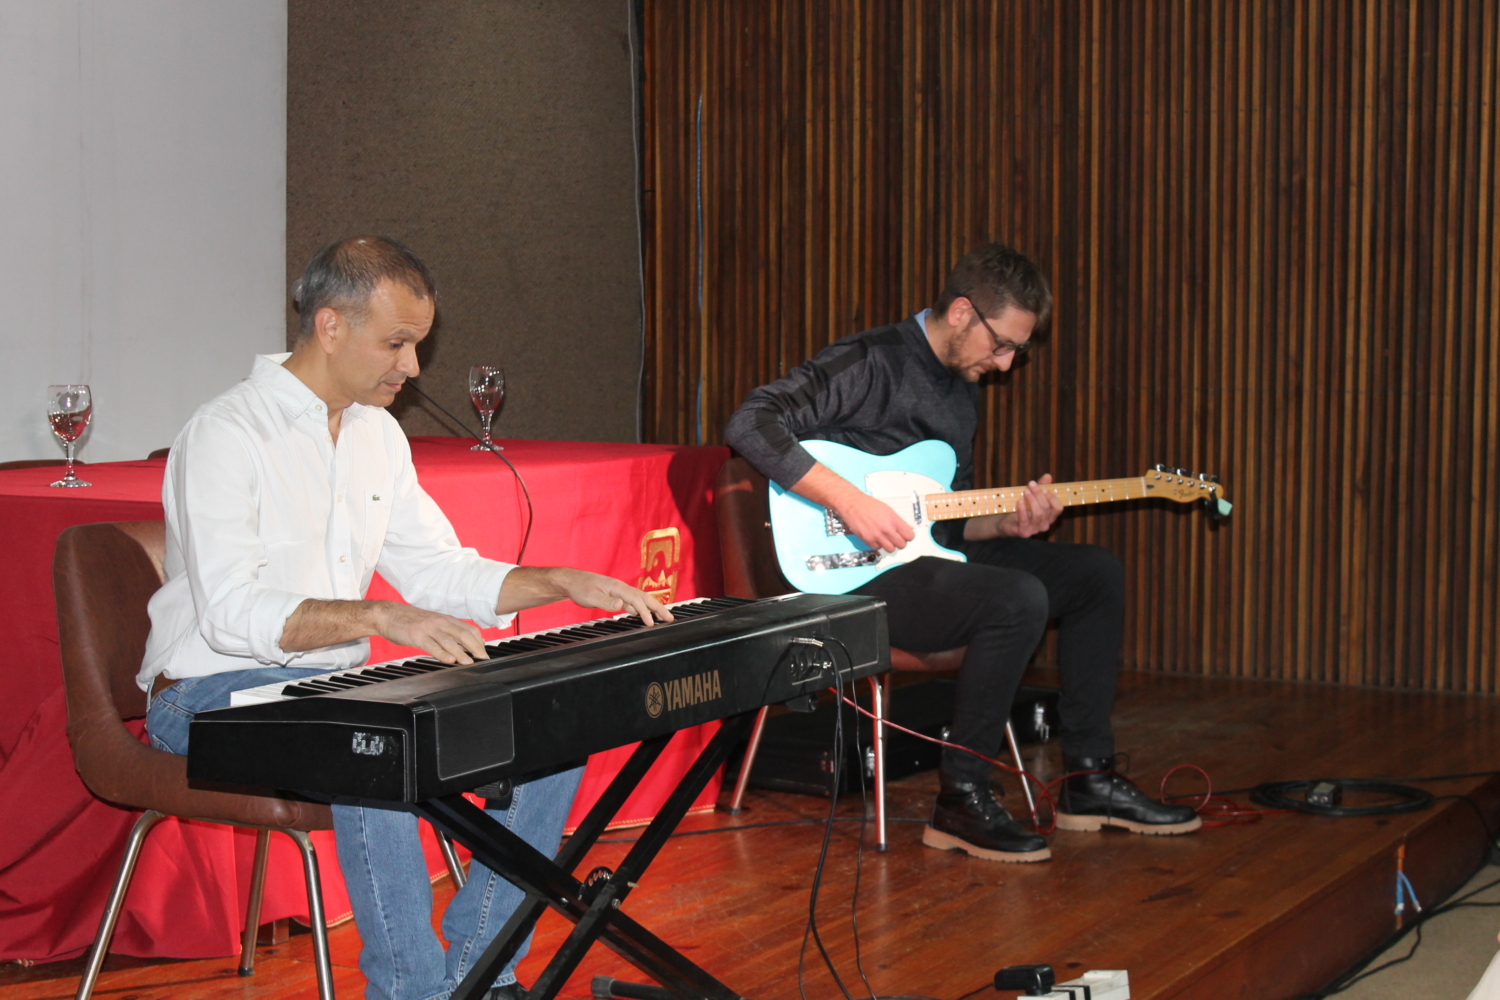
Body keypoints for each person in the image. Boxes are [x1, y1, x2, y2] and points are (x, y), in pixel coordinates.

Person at [138, 236, 670, 1000]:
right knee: (369, 748)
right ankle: (410, 992)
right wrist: (382, 615)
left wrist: (557, 581)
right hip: (206, 693)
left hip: (328, 689)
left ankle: (481, 973)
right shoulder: (225, 432)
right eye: (397, 343)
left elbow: (440, 571)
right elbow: (229, 615)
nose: (414, 367)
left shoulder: (376, 434)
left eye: (417, 344)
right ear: (330, 326)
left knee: (552, 729)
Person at [724, 242, 1199, 864]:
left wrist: (1006, 524)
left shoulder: (963, 389)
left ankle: (1089, 781)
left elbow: (945, 526)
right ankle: (960, 799)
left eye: (1017, 352)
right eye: (1001, 345)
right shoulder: (871, 361)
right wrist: (849, 502)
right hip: (845, 575)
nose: (1005, 365)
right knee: (1015, 599)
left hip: (919, 563)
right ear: (961, 312)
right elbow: (750, 422)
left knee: (1094, 574)